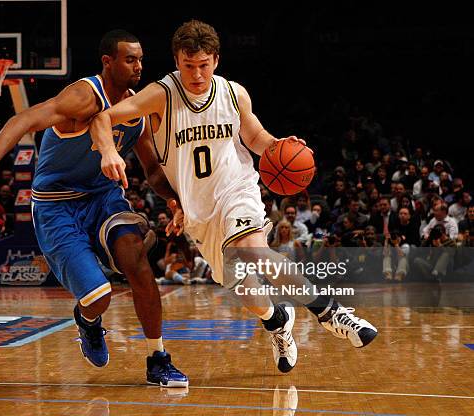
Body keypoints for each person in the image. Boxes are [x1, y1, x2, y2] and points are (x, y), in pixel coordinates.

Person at [91, 19, 377, 374]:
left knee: (253, 250)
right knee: (249, 293)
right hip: (200, 212)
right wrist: (108, 152)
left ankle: (331, 312)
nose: (196, 74)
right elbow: (102, 118)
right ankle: (277, 320)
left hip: (236, 189)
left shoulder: (233, 93)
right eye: (188, 65)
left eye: (203, 65)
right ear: (177, 61)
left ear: (216, 60)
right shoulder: (161, 95)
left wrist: (278, 146)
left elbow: (255, 137)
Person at [0, 30, 188, 387]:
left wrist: (173, 199)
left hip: (103, 199)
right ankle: (88, 321)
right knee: (98, 296)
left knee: (138, 264)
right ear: (107, 62)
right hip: (56, 205)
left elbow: (153, 169)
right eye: (130, 59)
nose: (138, 66)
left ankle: (158, 358)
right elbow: (22, 120)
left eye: (141, 59)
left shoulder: (137, 107)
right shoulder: (82, 96)